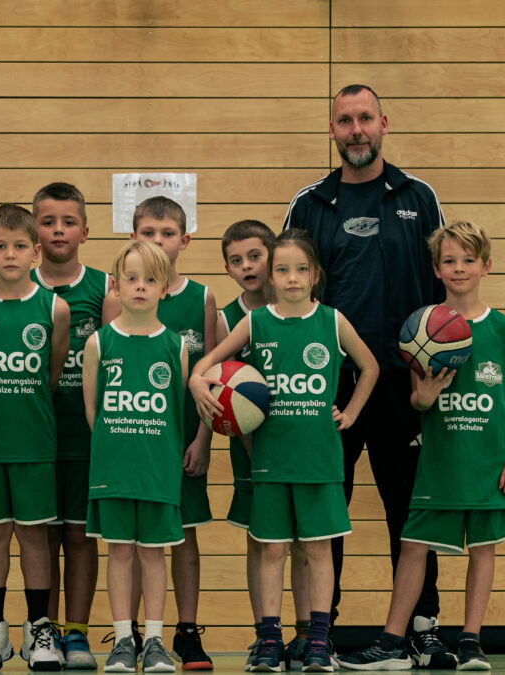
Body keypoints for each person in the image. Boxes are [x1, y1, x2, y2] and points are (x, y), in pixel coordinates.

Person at [282, 84, 452, 667]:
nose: (356, 130)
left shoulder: (418, 196)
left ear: (385, 122)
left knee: (410, 507)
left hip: (404, 386)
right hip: (323, 389)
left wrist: (436, 378)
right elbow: (283, 291)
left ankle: (422, 627)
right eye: (344, 120)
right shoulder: (309, 205)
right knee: (324, 510)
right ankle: (317, 631)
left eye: (365, 119)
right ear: (331, 130)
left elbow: (444, 293)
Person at [338, 221, 505, 671]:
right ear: (436, 269)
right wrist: (423, 397)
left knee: (483, 550)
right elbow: (417, 399)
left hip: (488, 462)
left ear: (486, 265)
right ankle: (391, 641)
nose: (459, 268)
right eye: (449, 261)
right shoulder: (421, 326)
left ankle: (470, 640)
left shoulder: (503, 327)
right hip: (437, 460)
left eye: (468, 260)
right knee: (413, 544)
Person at [191, 229, 379, 672]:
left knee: (317, 550)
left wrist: (351, 413)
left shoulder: (332, 320)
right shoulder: (256, 323)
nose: (291, 278)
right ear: (271, 277)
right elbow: (207, 362)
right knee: (272, 550)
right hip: (270, 460)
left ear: (314, 275)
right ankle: (270, 639)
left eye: (300, 270)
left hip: (319, 461)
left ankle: (317, 639)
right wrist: (199, 380)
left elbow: (369, 366)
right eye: (282, 270)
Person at [0, 204, 71, 672]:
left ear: (35, 251)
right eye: (0, 246)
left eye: (20, 246)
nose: (10, 254)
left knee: (35, 537)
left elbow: (52, 372)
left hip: (34, 442)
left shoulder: (55, 307)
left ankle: (39, 629)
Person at [83, 240, 187, 674]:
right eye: (131, 278)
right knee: (120, 552)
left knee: (153, 554)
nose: (140, 286)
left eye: (150, 279)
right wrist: (116, 446)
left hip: (157, 470)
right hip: (114, 469)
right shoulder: (99, 343)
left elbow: (177, 410)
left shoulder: (176, 345)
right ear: (116, 285)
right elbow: (94, 412)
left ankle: (156, 642)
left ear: (164, 287)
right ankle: (123, 640)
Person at [31, 181, 120, 669]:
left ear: (85, 230)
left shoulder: (105, 288)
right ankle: (42, 634)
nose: (58, 230)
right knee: (42, 536)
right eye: (48, 222)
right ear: (34, 230)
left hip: (85, 435)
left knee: (81, 538)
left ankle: (78, 633)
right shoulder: (17, 287)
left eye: (68, 221)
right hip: (34, 438)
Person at [127, 196, 217, 668]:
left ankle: (186, 629)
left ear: (184, 241)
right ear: (132, 238)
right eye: (147, 232)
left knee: (184, 536)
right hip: (137, 438)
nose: (156, 241)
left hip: (184, 441)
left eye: (166, 233)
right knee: (140, 538)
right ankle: (141, 633)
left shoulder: (202, 297)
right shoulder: (119, 294)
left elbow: (212, 375)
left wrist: (202, 439)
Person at [215, 220, 274, 668]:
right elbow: (215, 381)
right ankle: (264, 634)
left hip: (300, 446)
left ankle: (312, 634)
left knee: (309, 545)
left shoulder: (308, 309)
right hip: (251, 450)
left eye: (254, 255)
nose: (247, 266)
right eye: (236, 260)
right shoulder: (227, 319)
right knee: (260, 541)